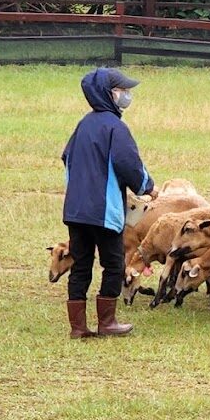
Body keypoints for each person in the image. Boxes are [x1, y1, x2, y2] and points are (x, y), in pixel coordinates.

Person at [60, 67, 156, 338]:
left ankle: (78, 328)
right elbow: (129, 165)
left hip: (76, 210)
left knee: (80, 265)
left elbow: (66, 159)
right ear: (109, 94)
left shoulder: (83, 124)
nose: (126, 95)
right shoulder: (116, 127)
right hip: (104, 211)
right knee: (113, 264)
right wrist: (148, 187)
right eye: (122, 90)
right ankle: (108, 322)